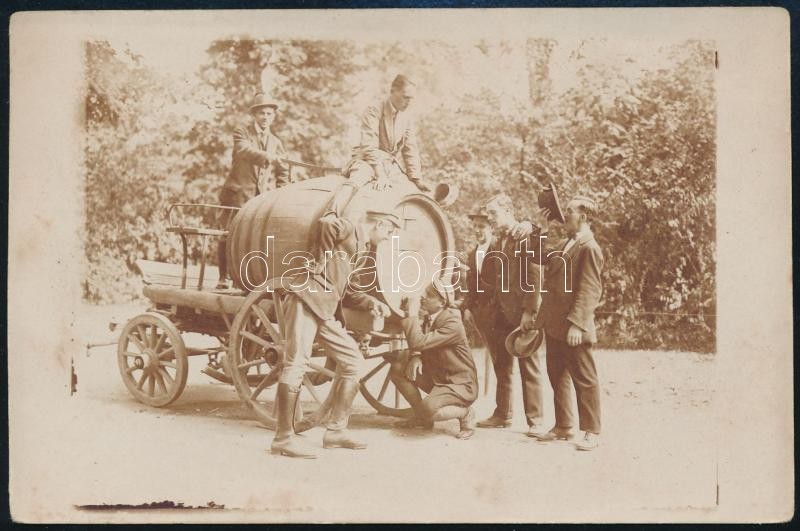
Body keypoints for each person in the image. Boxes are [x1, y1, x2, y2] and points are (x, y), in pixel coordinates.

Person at [270, 207, 400, 459]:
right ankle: (283, 439)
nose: (388, 237)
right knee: (297, 364)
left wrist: (371, 302)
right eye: (390, 231)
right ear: (380, 224)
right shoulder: (350, 228)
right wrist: (321, 260)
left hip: (324, 309)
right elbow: (326, 224)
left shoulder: (362, 249)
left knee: (353, 362)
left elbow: (348, 291)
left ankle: (336, 431)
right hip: (306, 299)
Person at [529, 196, 605, 451]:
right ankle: (563, 426)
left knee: (585, 378)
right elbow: (537, 256)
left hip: (573, 327)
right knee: (557, 374)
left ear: (583, 216)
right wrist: (541, 229)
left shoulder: (590, 247)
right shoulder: (565, 243)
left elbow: (590, 289)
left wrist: (577, 325)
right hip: (555, 325)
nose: (564, 216)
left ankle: (592, 431)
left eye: (569, 211)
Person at [475, 193, 549, 437]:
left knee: (529, 366)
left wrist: (530, 312)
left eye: (493, 213)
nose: (490, 218)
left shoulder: (525, 236)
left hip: (521, 314)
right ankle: (502, 414)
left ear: (508, 211)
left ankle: (536, 420)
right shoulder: (499, 240)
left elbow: (535, 278)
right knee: (502, 365)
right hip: (500, 314)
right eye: (488, 213)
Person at [326, 75, 431, 217]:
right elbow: (369, 145)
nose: (409, 102)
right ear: (393, 91)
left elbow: (410, 149)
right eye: (406, 97)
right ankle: (331, 214)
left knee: (411, 194)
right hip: (368, 161)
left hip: (390, 166)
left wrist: (417, 179)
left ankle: (395, 230)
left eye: (411, 98)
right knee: (357, 180)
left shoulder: (406, 117)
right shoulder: (374, 109)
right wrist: (380, 175)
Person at [389, 279, 478, 439]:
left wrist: (412, 314)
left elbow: (418, 342)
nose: (423, 296)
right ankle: (423, 418)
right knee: (397, 369)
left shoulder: (452, 321)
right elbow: (423, 344)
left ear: (442, 302)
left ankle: (465, 413)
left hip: (459, 384)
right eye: (424, 292)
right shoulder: (430, 317)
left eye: (429, 295)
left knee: (428, 409)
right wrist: (417, 356)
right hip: (439, 378)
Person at [217, 93, 290, 289]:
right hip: (236, 195)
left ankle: (242, 280)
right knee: (227, 234)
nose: (265, 117)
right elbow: (243, 150)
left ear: (273, 116)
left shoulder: (276, 142)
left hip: (259, 199)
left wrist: (282, 193)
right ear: (254, 115)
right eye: (261, 113)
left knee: (252, 238)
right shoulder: (242, 133)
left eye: (269, 114)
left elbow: (283, 170)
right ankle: (223, 278)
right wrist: (268, 156)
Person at [461, 208, 496, 342]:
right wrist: (468, 308)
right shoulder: (472, 255)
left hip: (499, 314)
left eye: (481, 226)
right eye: (474, 226)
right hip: (482, 315)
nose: (476, 230)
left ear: (491, 228)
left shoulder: (499, 249)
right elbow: (472, 287)